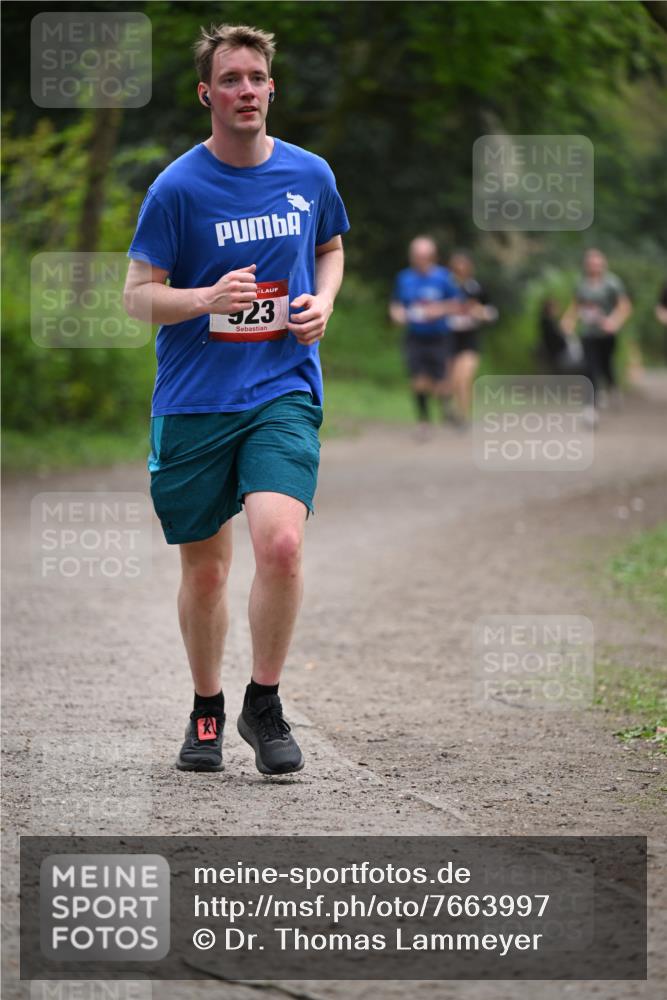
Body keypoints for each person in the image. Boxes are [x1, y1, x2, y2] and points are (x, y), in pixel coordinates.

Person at [123, 24, 349, 776]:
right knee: (208, 571)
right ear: (206, 94)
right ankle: (207, 708)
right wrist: (203, 298)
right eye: (231, 79)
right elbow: (136, 297)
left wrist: (323, 301)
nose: (245, 90)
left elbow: (330, 246)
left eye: (256, 78)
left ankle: (265, 701)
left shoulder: (310, 174)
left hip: (281, 388)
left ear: (271, 88)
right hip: (193, 400)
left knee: (280, 543)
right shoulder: (177, 188)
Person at [389, 236, 461, 438]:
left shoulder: (444, 277)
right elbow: (396, 303)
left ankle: (447, 405)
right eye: (416, 256)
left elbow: (456, 303)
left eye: (424, 256)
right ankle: (424, 422)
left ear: (432, 257)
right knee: (418, 380)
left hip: (439, 336)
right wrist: (397, 314)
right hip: (414, 336)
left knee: (440, 384)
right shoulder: (404, 278)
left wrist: (438, 309)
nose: (420, 260)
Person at [561, 249, 632, 409]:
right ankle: (593, 398)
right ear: (586, 266)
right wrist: (568, 320)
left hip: (606, 333)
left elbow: (624, 306)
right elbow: (576, 306)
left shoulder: (612, 283)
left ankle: (612, 388)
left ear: (603, 264)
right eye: (591, 264)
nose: (595, 267)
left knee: (606, 364)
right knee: (590, 365)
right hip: (588, 332)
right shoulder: (582, 284)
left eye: (597, 264)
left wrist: (614, 321)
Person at [446, 250, 498, 425]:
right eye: (456, 265)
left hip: (470, 338)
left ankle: (464, 415)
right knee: (452, 380)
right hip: (449, 338)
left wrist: (480, 312)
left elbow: (492, 312)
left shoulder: (476, 287)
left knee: (464, 378)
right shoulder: (445, 287)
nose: (460, 268)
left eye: (463, 265)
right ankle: (453, 408)